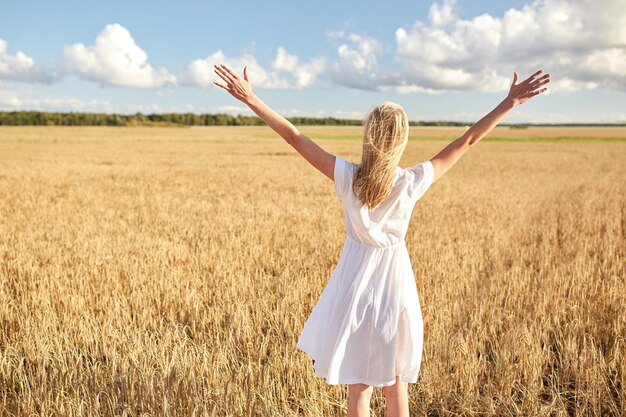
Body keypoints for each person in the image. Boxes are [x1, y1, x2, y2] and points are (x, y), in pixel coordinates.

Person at [213, 63, 550, 417]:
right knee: (394, 387)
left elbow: (295, 137)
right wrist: (508, 103)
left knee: (359, 387)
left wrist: (251, 98)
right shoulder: (411, 181)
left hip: (353, 285)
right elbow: (467, 141)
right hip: (394, 289)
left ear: (368, 135)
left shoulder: (347, 178)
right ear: (401, 141)